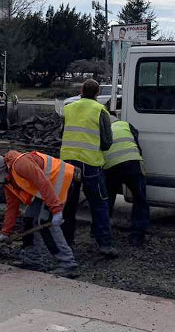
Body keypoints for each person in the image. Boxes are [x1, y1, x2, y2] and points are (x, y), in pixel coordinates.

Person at [0, 151, 78, 273]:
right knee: (29, 219)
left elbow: (43, 182)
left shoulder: (21, 164)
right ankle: (33, 257)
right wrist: (6, 232)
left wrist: (56, 210)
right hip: (47, 188)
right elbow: (12, 207)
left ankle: (67, 263)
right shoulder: (9, 180)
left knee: (44, 222)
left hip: (62, 181)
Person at [60, 78, 117, 257]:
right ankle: (104, 244)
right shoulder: (100, 110)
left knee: (68, 205)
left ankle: (66, 242)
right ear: (97, 93)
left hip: (68, 163)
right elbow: (107, 142)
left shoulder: (68, 109)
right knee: (99, 205)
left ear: (81, 91)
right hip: (90, 164)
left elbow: (62, 133)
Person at [103, 119, 149, 246]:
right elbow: (137, 145)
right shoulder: (126, 125)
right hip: (132, 163)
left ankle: (101, 232)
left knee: (107, 199)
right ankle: (137, 236)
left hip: (111, 166)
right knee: (140, 199)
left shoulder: (103, 128)